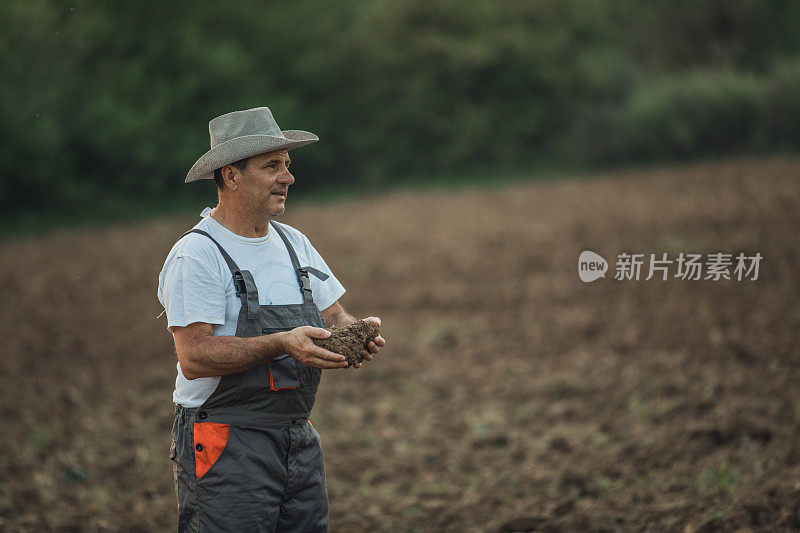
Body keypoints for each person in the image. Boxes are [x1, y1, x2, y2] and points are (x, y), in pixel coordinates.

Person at [156, 106, 385, 532]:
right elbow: (194, 357)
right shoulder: (198, 254)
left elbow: (334, 313)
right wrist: (282, 343)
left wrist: (356, 333)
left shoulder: (293, 242)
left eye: (287, 165)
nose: (288, 177)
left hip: (297, 437)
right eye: (271, 166)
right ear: (230, 174)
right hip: (226, 442)